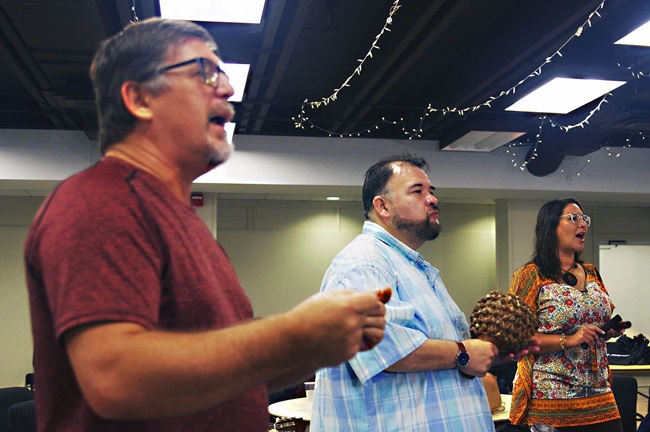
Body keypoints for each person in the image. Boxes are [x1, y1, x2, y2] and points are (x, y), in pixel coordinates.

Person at [23, 17, 387, 432]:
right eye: (205, 72)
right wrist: (293, 333)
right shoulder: (100, 200)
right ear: (140, 98)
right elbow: (115, 378)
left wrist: (318, 346)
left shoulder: (187, 225)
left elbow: (235, 378)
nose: (229, 90)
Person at [310, 154, 540, 432]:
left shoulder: (414, 268)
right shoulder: (364, 263)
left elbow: (440, 355)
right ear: (382, 206)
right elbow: (380, 347)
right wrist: (464, 353)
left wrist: (487, 354)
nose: (432, 199)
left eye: (431, 191)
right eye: (417, 191)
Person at [508, 198, 626, 431]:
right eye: (573, 218)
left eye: (584, 219)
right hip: (551, 396)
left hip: (600, 391)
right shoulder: (531, 275)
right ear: (550, 227)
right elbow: (517, 338)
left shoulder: (591, 272)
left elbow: (591, 327)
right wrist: (570, 340)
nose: (582, 224)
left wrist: (606, 331)